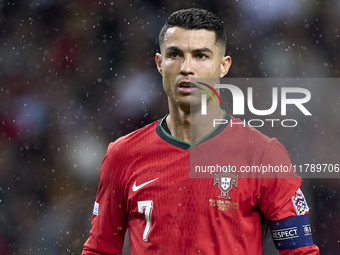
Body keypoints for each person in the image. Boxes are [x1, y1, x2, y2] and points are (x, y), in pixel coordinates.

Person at [81, 8, 319, 254]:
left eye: (200, 56)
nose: (186, 68)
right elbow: (100, 249)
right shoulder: (123, 155)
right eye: (175, 55)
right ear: (160, 64)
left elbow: (300, 251)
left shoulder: (262, 155)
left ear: (223, 66)